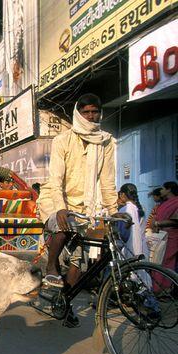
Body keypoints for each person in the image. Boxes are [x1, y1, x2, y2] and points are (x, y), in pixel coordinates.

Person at [36, 93, 117, 325]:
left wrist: (112, 211)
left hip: (89, 208)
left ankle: (66, 301)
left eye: (95, 112)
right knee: (64, 223)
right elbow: (56, 178)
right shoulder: (62, 140)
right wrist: (61, 208)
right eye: (87, 112)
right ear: (78, 114)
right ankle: (51, 267)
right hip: (56, 200)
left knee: (81, 261)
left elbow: (107, 181)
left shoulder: (106, 142)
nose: (92, 116)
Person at [151, 181, 178, 287]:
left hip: (171, 236)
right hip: (160, 235)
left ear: (169, 190)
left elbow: (176, 220)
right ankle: (157, 287)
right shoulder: (165, 203)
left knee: (167, 263)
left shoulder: (176, 202)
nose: (160, 191)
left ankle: (164, 288)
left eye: (162, 188)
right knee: (157, 261)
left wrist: (158, 223)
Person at [117, 183, 148, 259]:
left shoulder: (124, 210)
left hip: (129, 247)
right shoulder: (141, 209)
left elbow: (122, 234)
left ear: (122, 194)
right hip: (142, 245)